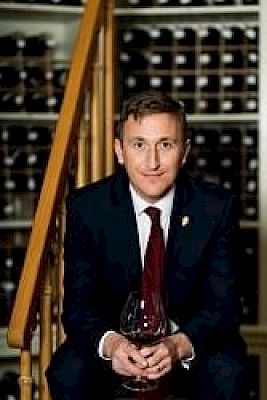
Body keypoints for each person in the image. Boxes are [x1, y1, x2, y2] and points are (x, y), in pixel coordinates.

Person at [46, 90, 248, 400]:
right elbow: (79, 306)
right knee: (66, 371)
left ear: (184, 151)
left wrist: (177, 345)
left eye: (165, 145)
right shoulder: (87, 208)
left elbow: (223, 307)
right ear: (119, 150)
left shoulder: (216, 208)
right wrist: (113, 346)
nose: (152, 162)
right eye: (139, 144)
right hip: (118, 342)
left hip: (189, 341)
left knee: (228, 371)